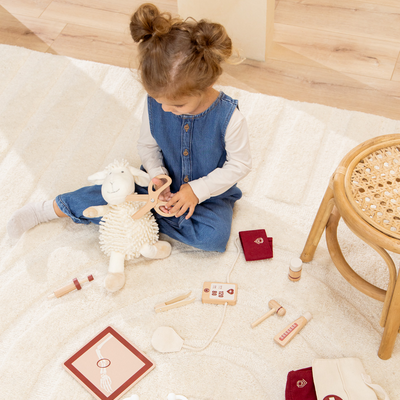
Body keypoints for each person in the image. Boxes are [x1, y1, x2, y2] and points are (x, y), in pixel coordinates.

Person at [7, 3, 252, 252]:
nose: (165, 110)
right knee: (118, 191)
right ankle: (50, 209)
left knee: (214, 237)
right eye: (159, 102)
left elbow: (239, 164)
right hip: (159, 184)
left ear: (205, 85)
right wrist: (157, 175)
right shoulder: (159, 103)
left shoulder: (229, 117)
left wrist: (196, 191)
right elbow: (147, 145)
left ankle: (132, 215)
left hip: (209, 193)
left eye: (176, 104)